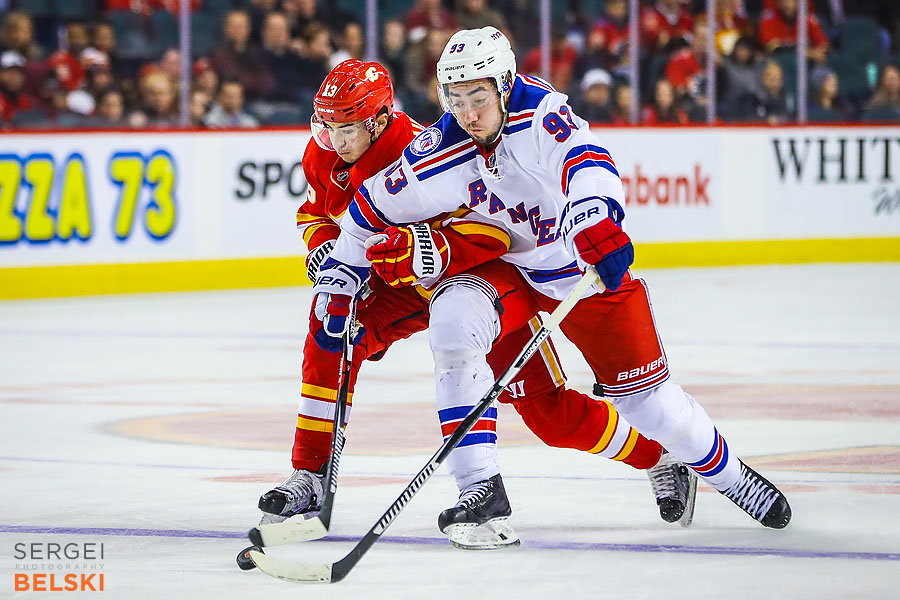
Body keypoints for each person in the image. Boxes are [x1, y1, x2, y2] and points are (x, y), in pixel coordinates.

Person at [313, 27, 792, 535]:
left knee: (648, 403)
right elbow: (370, 212)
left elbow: (586, 161)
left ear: (503, 85)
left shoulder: (540, 114)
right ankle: (479, 486)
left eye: (477, 96)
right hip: (512, 275)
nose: (467, 112)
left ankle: (732, 477)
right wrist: (339, 277)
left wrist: (593, 219)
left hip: (579, 273)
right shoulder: (440, 147)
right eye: (454, 98)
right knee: (454, 322)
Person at [258, 58, 695, 550]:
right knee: (328, 335)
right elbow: (317, 214)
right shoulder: (322, 156)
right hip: (397, 289)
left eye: (348, 127)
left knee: (549, 415)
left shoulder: (428, 149)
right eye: (326, 125)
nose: (335, 140)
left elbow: (494, 230)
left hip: (472, 286)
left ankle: (658, 457)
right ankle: (311, 474)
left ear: (380, 119)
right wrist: (326, 254)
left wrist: (426, 248)